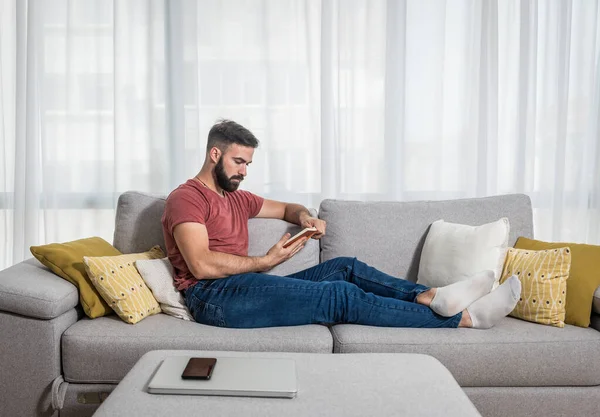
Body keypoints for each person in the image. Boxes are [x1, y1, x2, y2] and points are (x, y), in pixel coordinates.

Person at [161, 120, 521, 330]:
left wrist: (304, 218)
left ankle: (427, 295)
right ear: (214, 154)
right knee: (337, 295)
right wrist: (264, 262)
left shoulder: (236, 196)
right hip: (212, 298)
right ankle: (465, 319)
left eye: (248, 165)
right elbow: (201, 264)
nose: (243, 171)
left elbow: (288, 208)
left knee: (344, 268)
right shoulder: (187, 198)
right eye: (238, 162)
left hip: (245, 286)